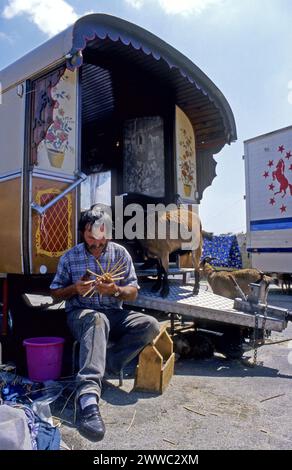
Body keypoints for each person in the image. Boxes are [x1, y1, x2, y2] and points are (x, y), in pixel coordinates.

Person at [50, 206, 160, 442]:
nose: (97, 244)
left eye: (102, 238)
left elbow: (132, 293)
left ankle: (108, 364)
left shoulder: (120, 253)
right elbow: (55, 293)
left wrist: (116, 290)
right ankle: (88, 398)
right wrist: (74, 289)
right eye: (91, 237)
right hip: (81, 313)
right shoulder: (71, 256)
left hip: (114, 312)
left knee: (150, 325)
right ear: (83, 233)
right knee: (96, 319)